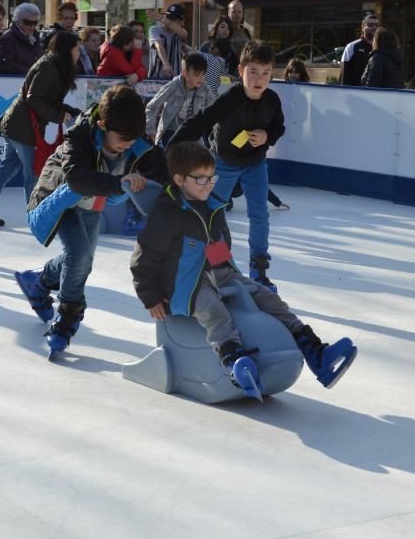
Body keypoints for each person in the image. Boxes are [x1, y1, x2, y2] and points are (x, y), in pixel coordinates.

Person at [130, 141, 357, 392]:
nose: (208, 184)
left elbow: (217, 243)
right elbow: (144, 257)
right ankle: (234, 361)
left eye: (211, 178)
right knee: (214, 310)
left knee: (271, 300)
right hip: (184, 283)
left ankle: (317, 354)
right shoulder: (168, 214)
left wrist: (232, 275)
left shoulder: (211, 205)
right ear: (180, 179)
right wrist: (150, 297)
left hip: (219, 272)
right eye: (201, 179)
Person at [14, 85, 168, 354]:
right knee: (79, 253)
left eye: (133, 139)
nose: (128, 145)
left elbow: (166, 172)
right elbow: (76, 179)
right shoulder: (80, 136)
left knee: (82, 260)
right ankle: (67, 320)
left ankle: (37, 281)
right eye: (122, 139)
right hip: (60, 197)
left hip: (92, 202)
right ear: (101, 125)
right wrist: (121, 183)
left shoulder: (136, 141)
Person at [170, 41, 285, 290]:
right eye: (253, 71)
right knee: (211, 210)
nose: (259, 79)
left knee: (259, 215)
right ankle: (214, 264)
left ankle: (259, 269)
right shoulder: (231, 97)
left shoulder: (272, 101)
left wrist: (267, 137)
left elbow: (278, 127)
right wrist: (173, 144)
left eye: (266, 72)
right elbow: (203, 120)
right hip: (224, 163)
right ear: (241, 69)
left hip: (255, 164)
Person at [0, 31, 81, 227]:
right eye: (76, 49)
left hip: (18, 123)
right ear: (66, 50)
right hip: (21, 125)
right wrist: (58, 116)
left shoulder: (56, 66)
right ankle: (35, 215)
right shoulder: (48, 66)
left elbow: (50, 100)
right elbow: (34, 98)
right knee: (32, 172)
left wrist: (74, 112)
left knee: (7, 168)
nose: (79, 52)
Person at [145, 53, 215, 146]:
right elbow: (151, 107)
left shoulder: (205, 89)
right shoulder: (173, 87)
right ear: (185, 73)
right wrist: (151, 131)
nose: (201, 78)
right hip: (171, 133)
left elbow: (215, 109)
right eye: (197, 74)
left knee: (203, 158)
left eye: (203, 74)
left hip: (193, 133)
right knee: (171, 158)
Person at [0, 3, 44, 75]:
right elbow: (9, 64)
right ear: (19, 21)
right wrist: (32, 72)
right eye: (28, 22)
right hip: (17, 81)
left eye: (35, 23)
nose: (32, 26)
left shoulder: (35, 37)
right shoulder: (7, 38)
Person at [148, 4, 187, 79]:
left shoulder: (181, 32)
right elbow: (158, 45)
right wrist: (165, 63)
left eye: (172, 18)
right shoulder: (154, 29)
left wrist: (161, 18)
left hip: (176, 80)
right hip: (157, 78)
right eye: (167, 16)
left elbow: (183, 35)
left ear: (181, 21)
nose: (168, 20)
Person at [339, 14, 379, 86]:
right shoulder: (352, 47)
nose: (374, 27)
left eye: (376, 25)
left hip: (374, 94)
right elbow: (344, 75)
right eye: (370, 24)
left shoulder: (381, 48)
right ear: (363, 27)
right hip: (355, 93)